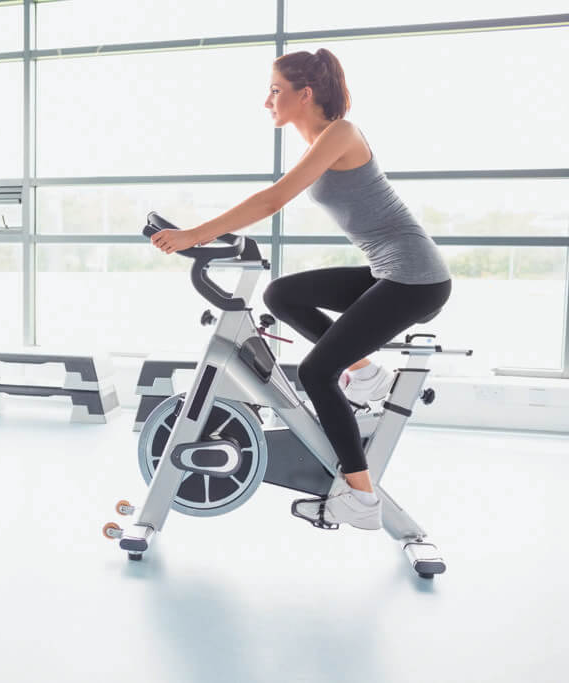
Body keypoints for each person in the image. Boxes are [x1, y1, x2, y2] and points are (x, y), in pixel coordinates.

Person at [149, 48, 451, 530]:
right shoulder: (321, 142)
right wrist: (218, 234)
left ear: (304, 94)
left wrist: (194, 235)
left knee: (315, 373)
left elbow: (272, 200)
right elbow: (269, 200)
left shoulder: (342, 134)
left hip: (415, 279)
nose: (266, 101)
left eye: (274, 90)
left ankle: (361, 497)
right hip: (387, 272)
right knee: (280, 295)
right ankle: (368, 375)